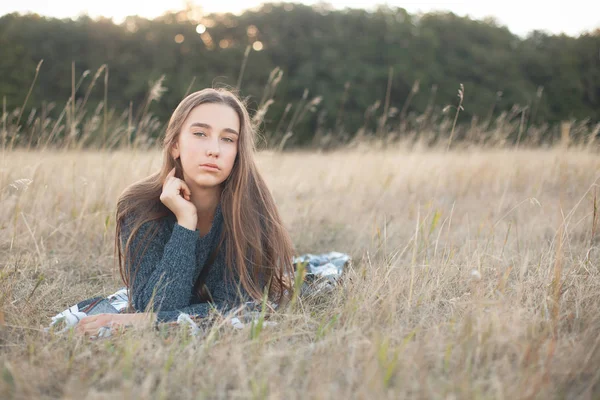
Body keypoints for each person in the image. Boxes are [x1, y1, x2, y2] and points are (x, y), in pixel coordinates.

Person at [76, 88, 295, 336]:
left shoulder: (252, 209)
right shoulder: (138, 205)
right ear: (175, 146)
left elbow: (234, 309)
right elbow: (152, 306)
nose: (214, 150)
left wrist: (142, 321)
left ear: (237, 152)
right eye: (200, 134)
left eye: (228, 139)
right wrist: (185, 223)